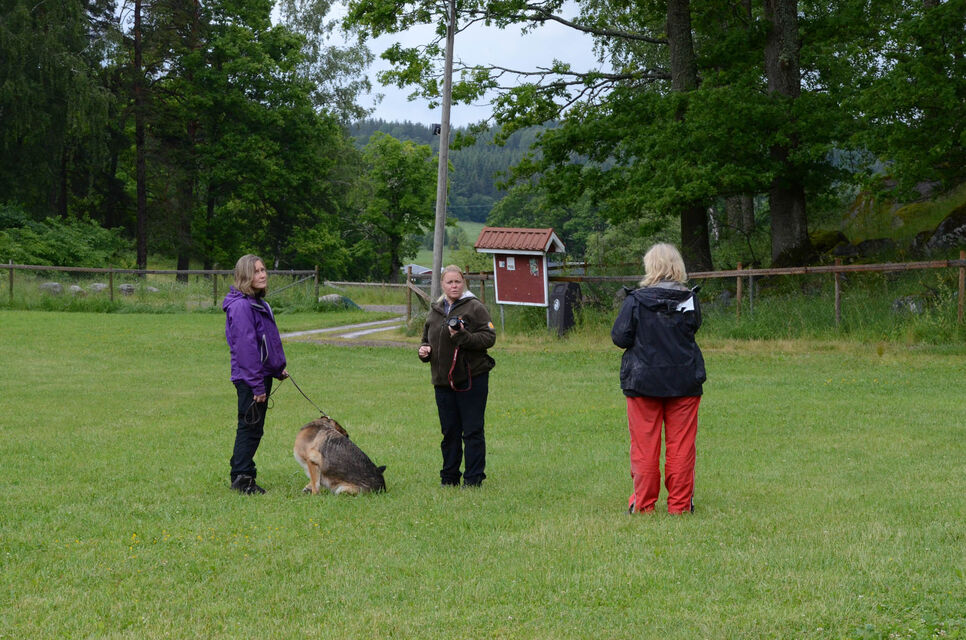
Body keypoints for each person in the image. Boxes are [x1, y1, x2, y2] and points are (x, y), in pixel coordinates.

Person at [611, 243, 706, 514]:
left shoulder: (636, 300)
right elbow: (693, 328)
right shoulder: (689, 300)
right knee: (682, 446)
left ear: (650, 266)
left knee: (644, 447)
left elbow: (620, 337)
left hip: (643, 381)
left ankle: (643, 505)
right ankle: (680, 505)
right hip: (684, 380)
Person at [418, 265, 496, 487]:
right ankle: (449, 477)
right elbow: (426, 339)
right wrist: (424, 351)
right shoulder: (435, 310)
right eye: (450, 282)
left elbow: (489, 338)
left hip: (472, 379)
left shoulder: (475, 307)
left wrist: (462, 336)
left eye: (458, 282)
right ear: (442, 285)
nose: (454, 286)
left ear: (464, 283)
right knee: (449, 432)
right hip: (442, 382)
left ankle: (473, 479)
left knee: (472, 431)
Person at [222, 254, 288, 495]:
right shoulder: (241, 306)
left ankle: (244, 471)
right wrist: (257, 385)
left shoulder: (258, 303)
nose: (262, 275)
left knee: (254, 428)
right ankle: (241, 478)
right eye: (256, 271)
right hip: (250, 378)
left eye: (263, 270)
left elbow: (266, 341)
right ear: (245, 276)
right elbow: (246, 349)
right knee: (249, 428)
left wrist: (276, 368)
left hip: (260, 375)